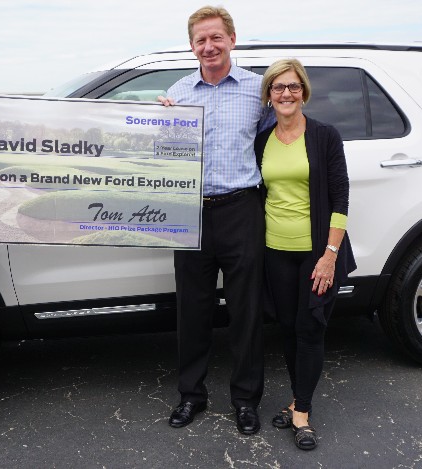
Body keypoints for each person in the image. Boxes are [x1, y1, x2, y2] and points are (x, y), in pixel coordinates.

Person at [160, 6, 270, 435]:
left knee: (245, 311)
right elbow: (163, 152)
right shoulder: (178, 92)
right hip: (191, 212)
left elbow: (272, 138)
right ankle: (191, 396)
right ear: (192, 46)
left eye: (216, 38)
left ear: (232, 39)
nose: (209, 46)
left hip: (241, 209)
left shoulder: (256, 90)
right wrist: (156, 123)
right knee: (193, 309)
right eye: (200, 40)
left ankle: (246, 400)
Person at [255, 59, 356, 450]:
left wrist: (330, 255)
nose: (286, 94)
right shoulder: (262, 139)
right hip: (275, 251)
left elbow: (340, 198)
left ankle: (303, 412)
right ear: (268, 95)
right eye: (278, 87)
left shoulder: (325, 136)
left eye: (293, 86)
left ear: (304, 91)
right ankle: (298, 398)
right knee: (288, 327)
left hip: (316, 252)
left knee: (311, 328)